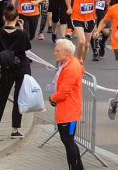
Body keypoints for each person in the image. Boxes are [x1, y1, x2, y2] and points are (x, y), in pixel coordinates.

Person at [0, 6, 32, 138]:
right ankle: (15, 129)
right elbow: (27, 47)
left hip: (6, 68)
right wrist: (22, 30)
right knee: (18, 98)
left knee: (1, 97)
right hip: (21, 67)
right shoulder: (21, 34)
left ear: (4, 18)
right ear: (17, 19)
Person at [51, 39, 85, 170]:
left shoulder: (71, 68)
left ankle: (76, 167)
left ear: (66, 53)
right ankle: (75, 167)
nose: (54, 53)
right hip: (69, 112)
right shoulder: (70, 63)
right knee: (68, 140)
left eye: (57, 51)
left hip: (68, 113)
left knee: (68, 140)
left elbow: (63, 93)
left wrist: (52, 97)